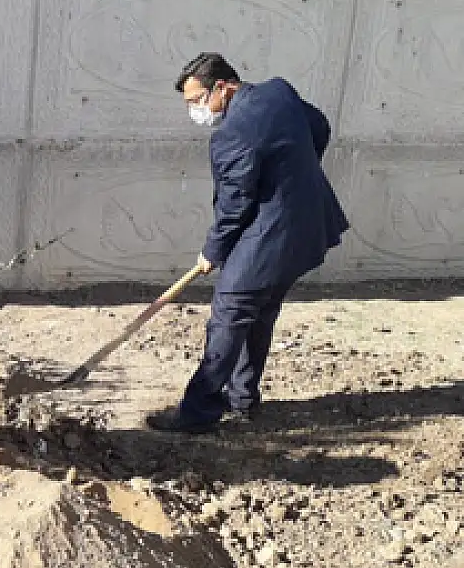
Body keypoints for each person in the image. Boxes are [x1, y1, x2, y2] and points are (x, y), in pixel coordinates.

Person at [145, 52, 349, 434]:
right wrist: (292, 175)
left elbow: (234, 204)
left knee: (230, 313)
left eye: (197, 101)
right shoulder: (278, 93)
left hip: (272, 235)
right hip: (309, 225)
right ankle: (242, 400)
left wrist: (212, 250)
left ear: (223, 87)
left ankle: (196, 415)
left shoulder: (232, 134)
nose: (195, 112)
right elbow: (318, 127)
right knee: (261, 311)